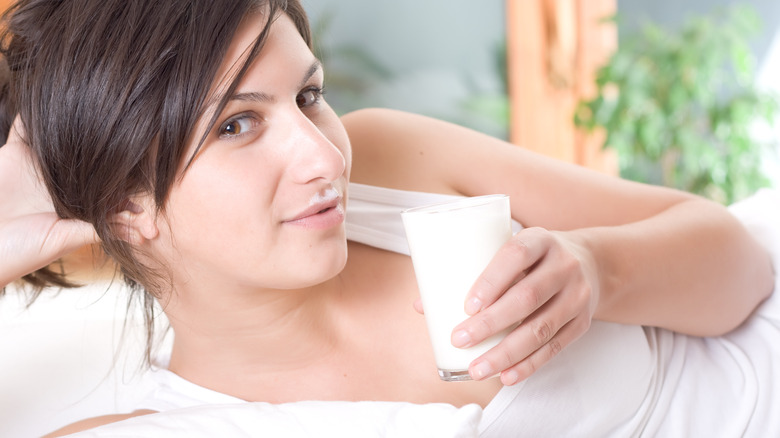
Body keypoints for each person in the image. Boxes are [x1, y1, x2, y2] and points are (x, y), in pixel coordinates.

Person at [0, 0, 775, 436]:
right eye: (236, 125)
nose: (323, 157)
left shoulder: (387, 158)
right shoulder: (153, 428)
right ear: (124, 207)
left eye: (308, 96)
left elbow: (739, 260)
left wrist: (599, 271)